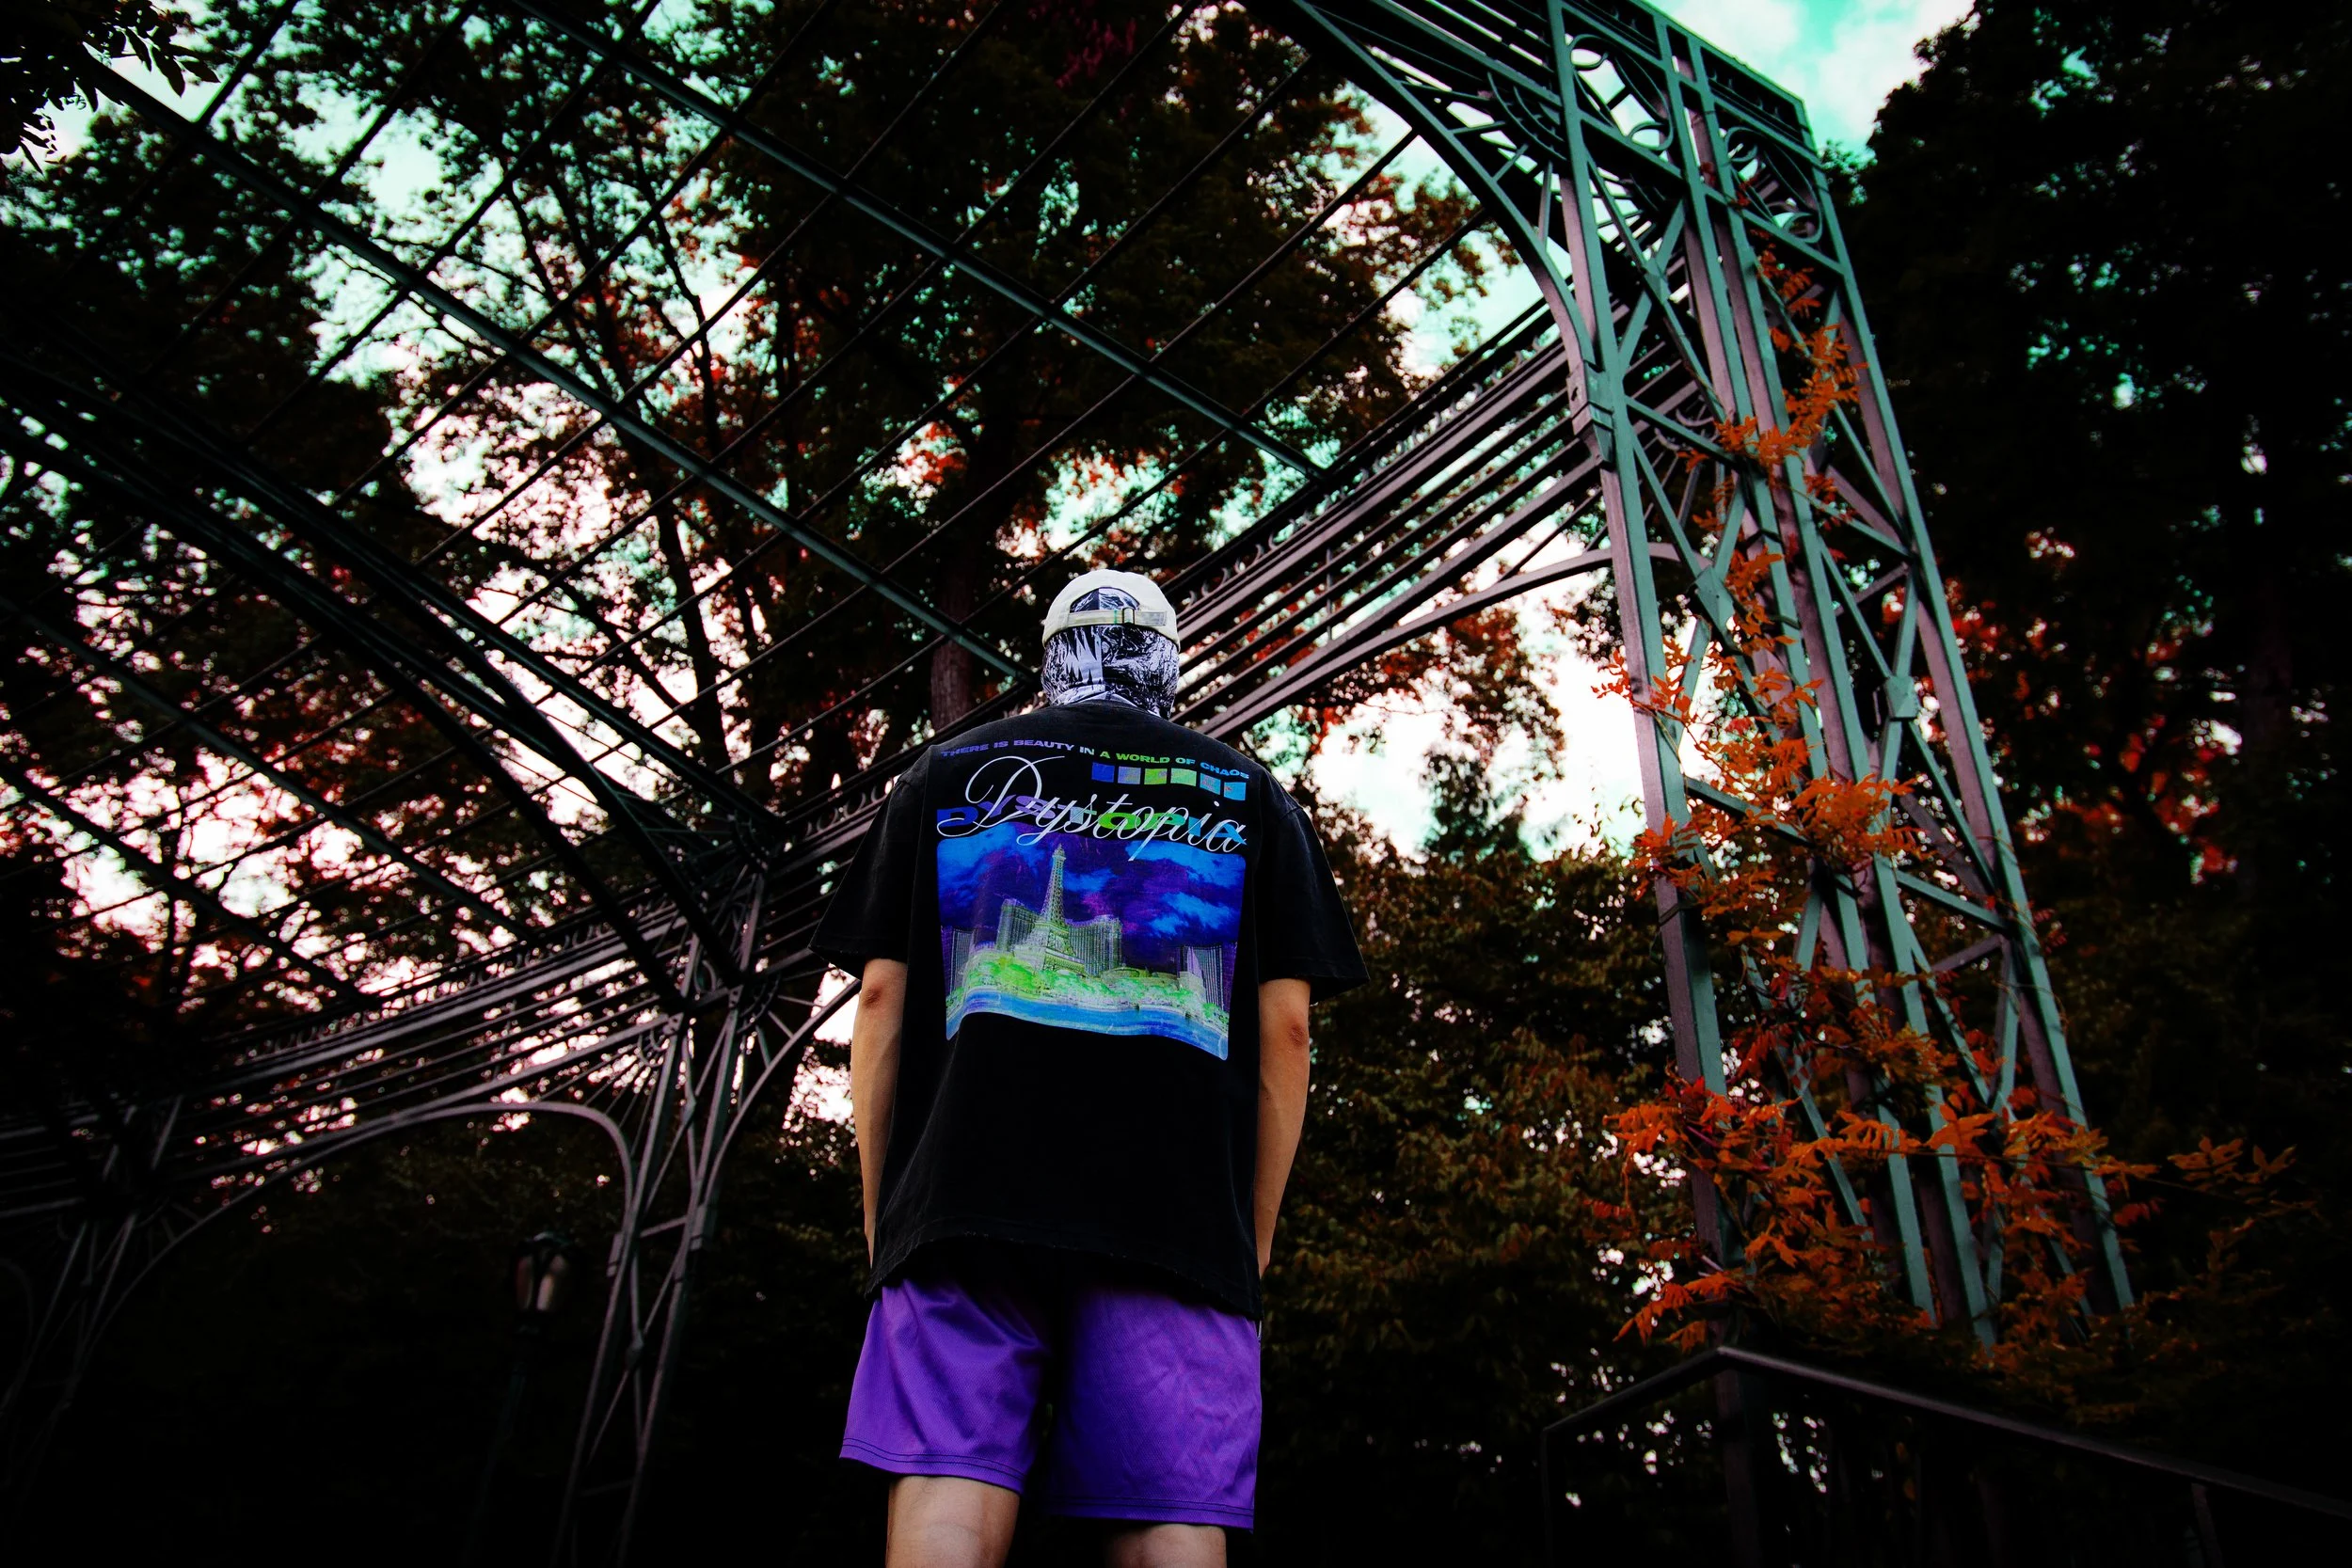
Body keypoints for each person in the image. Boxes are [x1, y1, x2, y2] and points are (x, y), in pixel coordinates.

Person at [812, 568, 1367, 1567]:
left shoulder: (942, 775)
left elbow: (882, 1004)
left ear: (1049, 657)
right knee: (1164, 1515)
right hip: (1177, 1212)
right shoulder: (1249, 795)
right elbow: (1287, 1034)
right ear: (1169, 659)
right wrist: (1252, 1235)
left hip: (965, 1200)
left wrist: (886, 1210)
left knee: (947, 1485)